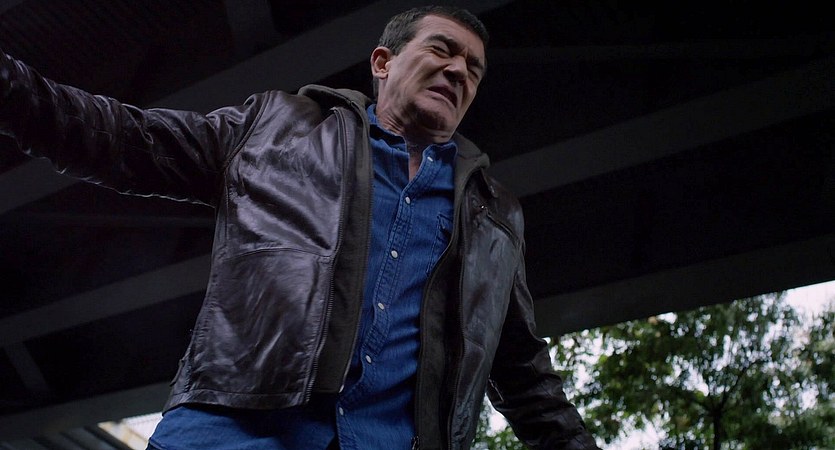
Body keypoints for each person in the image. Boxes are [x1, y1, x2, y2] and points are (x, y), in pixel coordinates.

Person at [0, 5, 599, 450]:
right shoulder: (275, 127)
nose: (458, 69)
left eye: (473, 68)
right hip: (228, 434)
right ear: (383, 63)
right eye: (443, 49)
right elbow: (122, 139)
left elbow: (526, 378)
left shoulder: (495, 215)